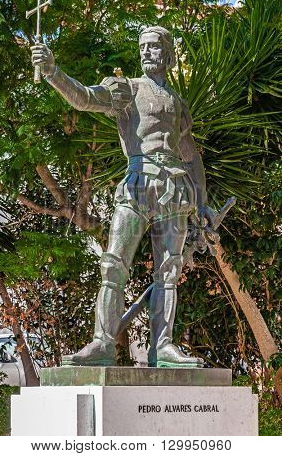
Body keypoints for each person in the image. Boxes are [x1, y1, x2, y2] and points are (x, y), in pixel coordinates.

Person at [31, 26, 215, 367]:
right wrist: (54, 72)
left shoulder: (178, 103)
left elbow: (190, 155)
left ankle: (163, 347)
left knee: (169, 271)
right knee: (114, 264)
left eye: (154, 47)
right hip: (137, 185)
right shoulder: (128, 90)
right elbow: (85, 98)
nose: (146, 52)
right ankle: (102, 343)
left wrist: (202, 202)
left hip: (173, 190)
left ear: (169, 54)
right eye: (142, 47)